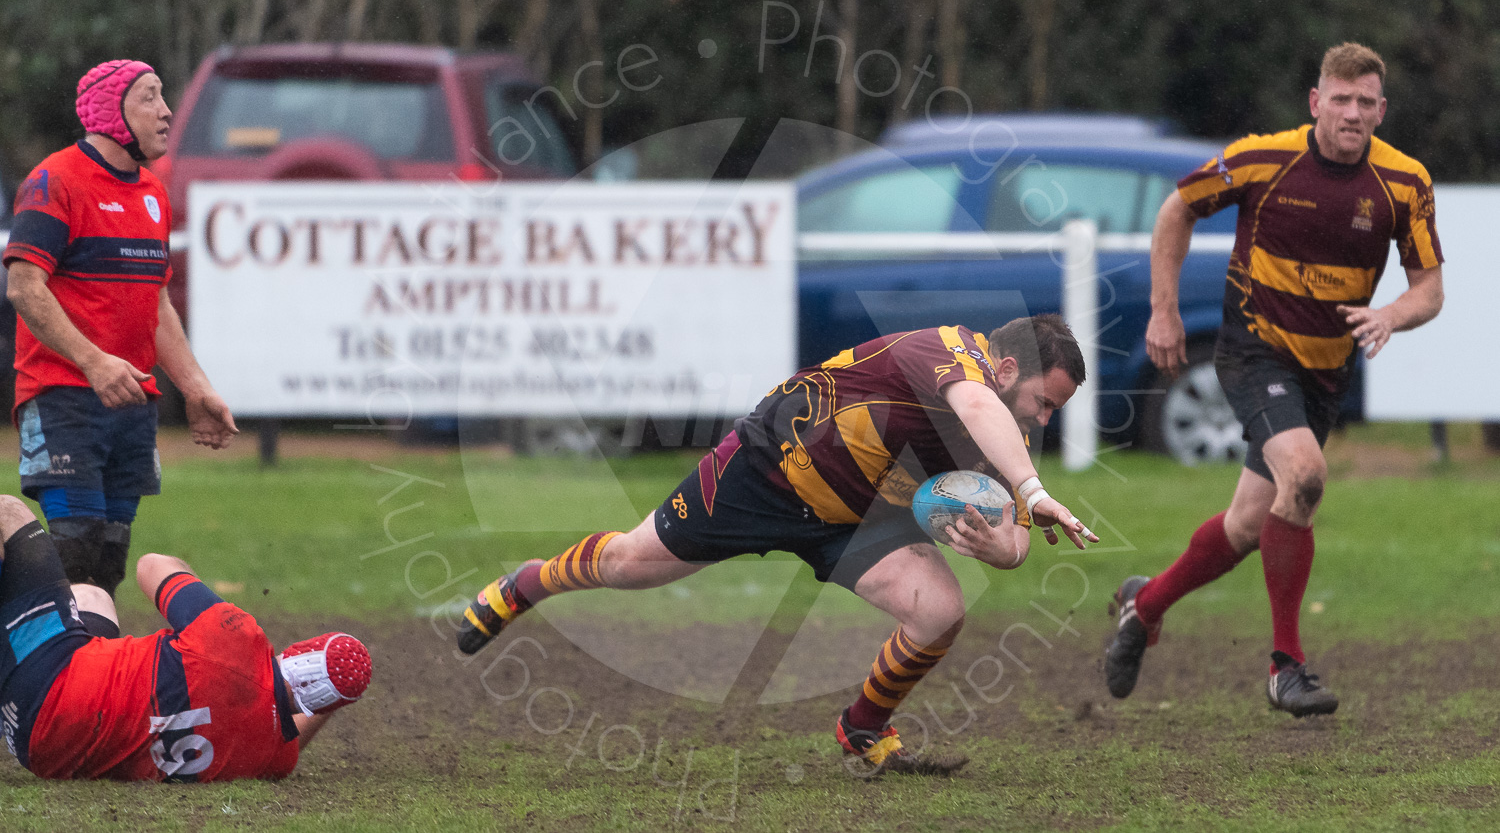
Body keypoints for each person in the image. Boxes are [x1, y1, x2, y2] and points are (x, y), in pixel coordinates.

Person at [456, 315, 1099, 772]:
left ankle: (863, 729)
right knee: (629, 564)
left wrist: (1005, 549)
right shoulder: (950, 351)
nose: (1041, 421)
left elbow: (1016, 530)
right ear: (1006, 368)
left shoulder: (1006, 436)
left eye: (1051, 414)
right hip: (766, 468)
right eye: (1043, 404)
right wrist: (1036, 490)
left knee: (940, 611)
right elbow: (986, 418)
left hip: (854, 519)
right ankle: (530, 582)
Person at [1104, 43, 1444, 716]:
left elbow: (1429, 288)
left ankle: (1143, 607)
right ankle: (1285, 667)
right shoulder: (1264, 157)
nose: (1351, 112)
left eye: (1365, 101)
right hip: (1253, 351)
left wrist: (1391, 315)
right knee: (1307, 476)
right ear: (1315, 103)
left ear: (1381, 110)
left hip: (1325, 371)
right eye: (1339, 99)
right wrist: (1164, 311)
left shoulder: (1404, 183)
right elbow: (1178, 209)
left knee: (1248, 524)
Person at [1, 59, 237, 599]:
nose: (166, 110)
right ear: (112, 113)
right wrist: (93, 360)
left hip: (131, 404)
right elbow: (24, 288)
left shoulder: (152, 193)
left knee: (107, 557)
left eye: (162, 95)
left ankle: (91, 673)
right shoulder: (53, 180)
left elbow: (154, 304)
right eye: (150, 97)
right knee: (74, 548)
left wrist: (196, 387)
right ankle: (41, 667)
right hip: (64, 398)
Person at [0, 494, 372, 780]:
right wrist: (333, 697)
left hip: (46, 687)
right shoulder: (271, 758)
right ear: (321, 707)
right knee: (92, 598)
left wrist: (212, 607)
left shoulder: (236, 638)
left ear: (301, 651)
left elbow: (151, 565)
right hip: (42, 751)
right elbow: (292, 736)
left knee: (9, 512)